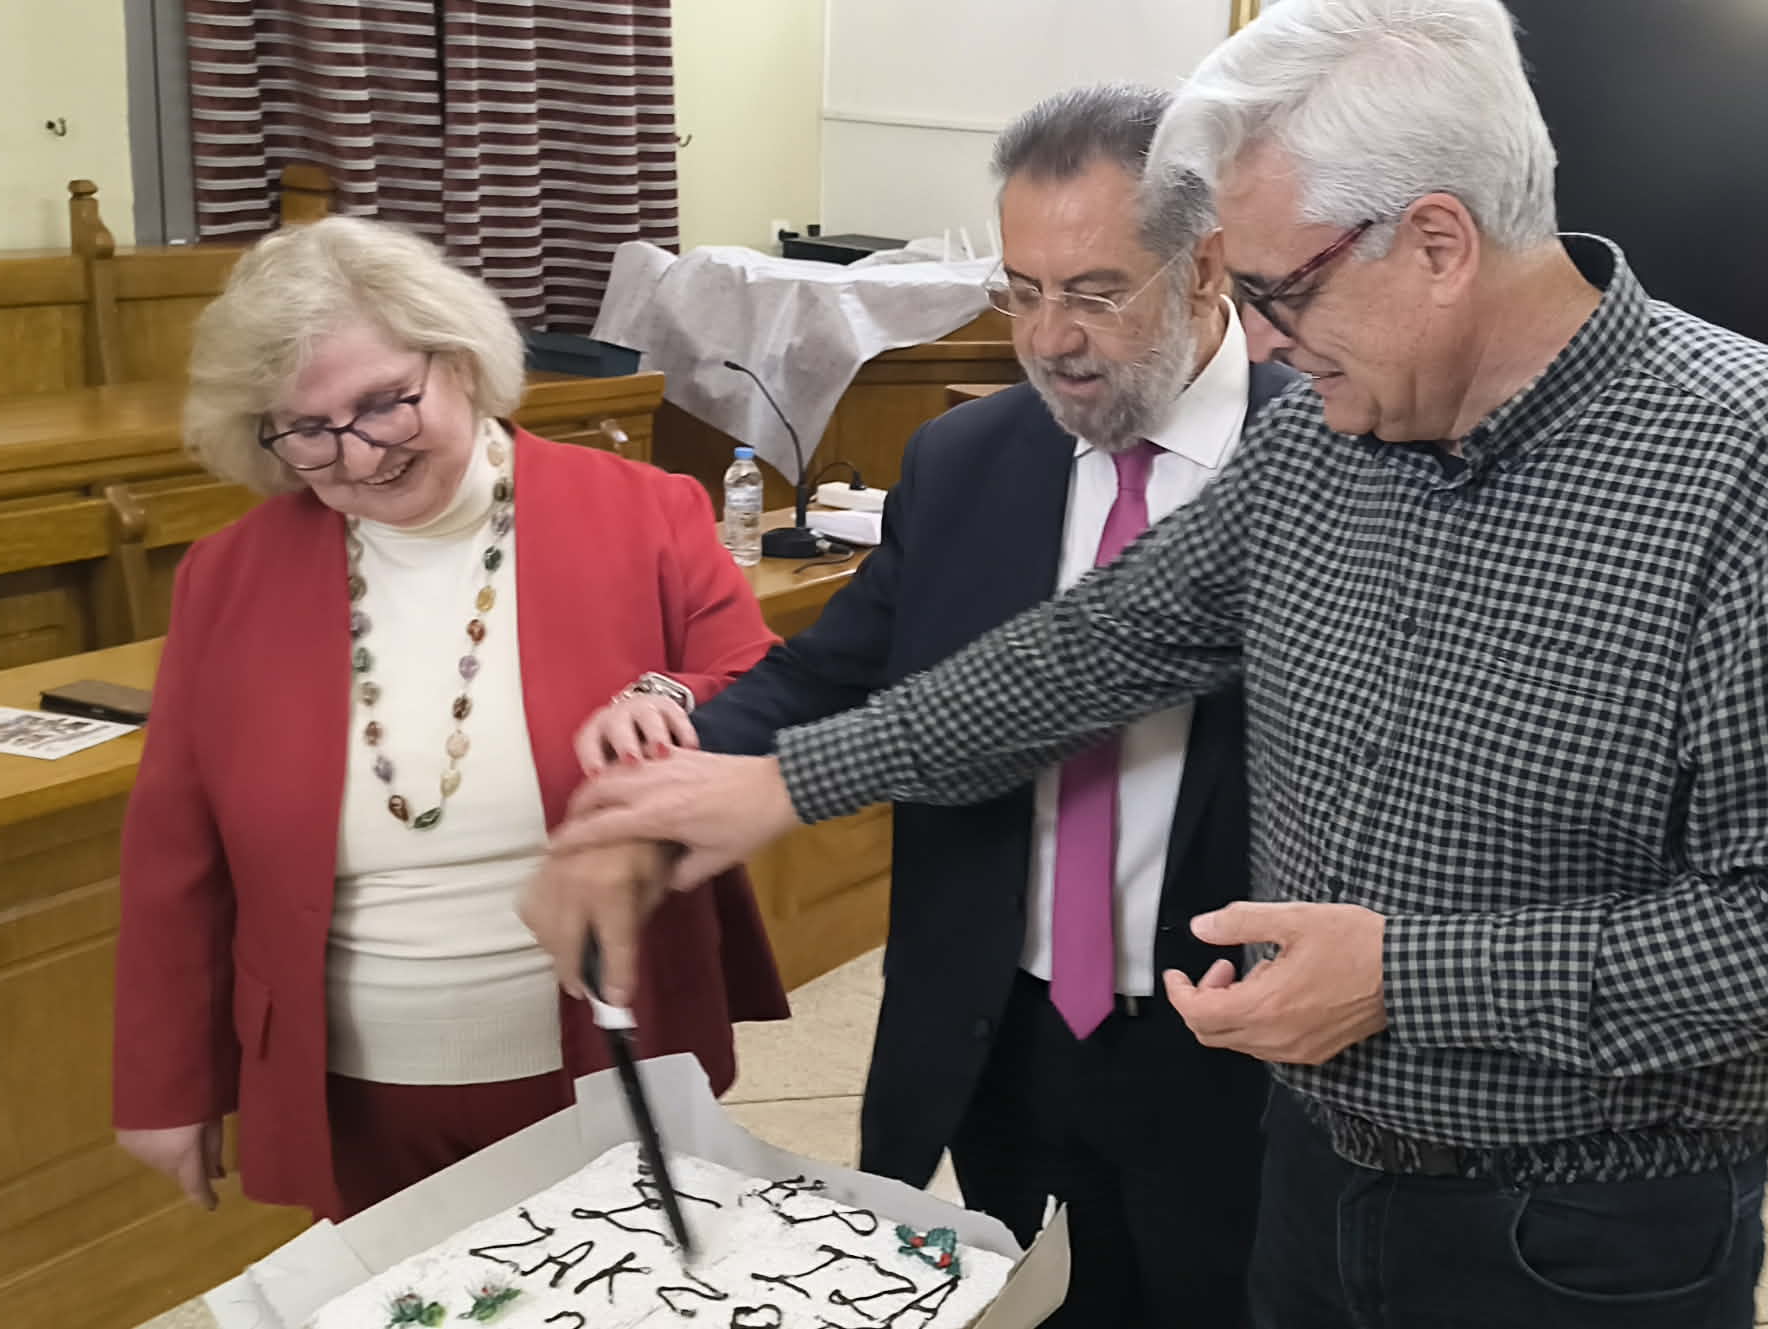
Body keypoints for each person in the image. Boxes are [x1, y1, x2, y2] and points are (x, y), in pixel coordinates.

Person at [541, 0, 1768, 1329]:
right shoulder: (1328, 436)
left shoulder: (1754, 455)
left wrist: (1405, 978)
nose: (1255, 337)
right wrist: (776, 781)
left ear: (1436, 245)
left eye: (1278, 290)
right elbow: (1094, 650)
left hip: (1578, 1231)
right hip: (1308, 1173)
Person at [535, 84, 1286, 1329]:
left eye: (1094, 291)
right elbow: (832, 672)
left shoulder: (1326, 460)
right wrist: (680, 752)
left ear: (1206, 267)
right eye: (1019, 290)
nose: (1048, 338)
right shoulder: (968, 457)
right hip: (1002, 1022)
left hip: (1226, 1043)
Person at [111, 217, 789, 1224]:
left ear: (461, 361)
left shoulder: (642, 511)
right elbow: (176, 842)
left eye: (385, 402)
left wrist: (671, 697)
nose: (360, 453)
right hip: (355, 1085)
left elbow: (764, 687)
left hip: (605, 1040)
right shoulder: (227, 576)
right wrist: (165, 1083)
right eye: (307, 429)